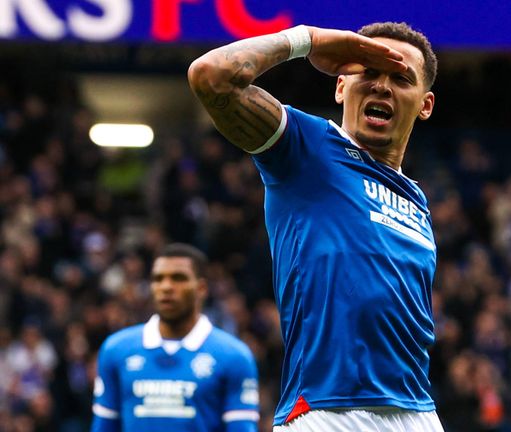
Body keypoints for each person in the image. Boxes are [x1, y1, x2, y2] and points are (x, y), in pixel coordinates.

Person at [188, 22, 443, 431]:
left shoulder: (417, 198)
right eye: (368, 72)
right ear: (341, 87)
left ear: (424, 105)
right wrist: (310, 39)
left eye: (400, 78)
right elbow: (212, 77)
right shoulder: (308, 147)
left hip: (417, 412)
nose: (381, 86)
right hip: (327, 410)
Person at [90, 243, 260, 431]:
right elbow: (103, 427)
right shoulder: (116, 350)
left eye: (178, 278)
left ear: (202, 288)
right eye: (158, 279)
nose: (166, 287)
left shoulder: (233, 356)